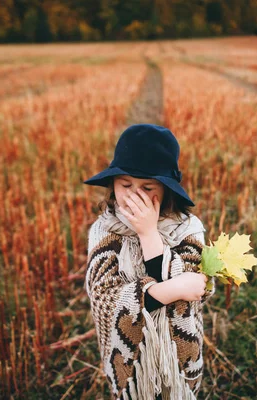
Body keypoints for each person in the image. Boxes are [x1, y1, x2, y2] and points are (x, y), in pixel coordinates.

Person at [83, 124, 216, 400]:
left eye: (147, 187)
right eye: (126, 185)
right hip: (129, 369)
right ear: (113, 184)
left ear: (166, 190)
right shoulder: (104, 230)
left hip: (179, 362)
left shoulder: (188, 228)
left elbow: (195, 289)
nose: (134, 195)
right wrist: (168, 290)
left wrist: (148, 233)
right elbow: (103, 297)